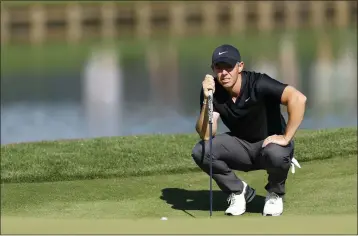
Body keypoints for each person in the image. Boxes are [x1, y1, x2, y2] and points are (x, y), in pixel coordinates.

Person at [191, 44, 307, 216]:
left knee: (276, 153)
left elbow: (298, 98)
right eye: (219, 68)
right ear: (213, 69)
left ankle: (275, 193)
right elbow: (207, 134)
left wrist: (286, 138)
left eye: (229, 67)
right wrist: (207, 100)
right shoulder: (212, 90)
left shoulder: (258, 83)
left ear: (240, 66)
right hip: (242, 147)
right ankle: (238, 191)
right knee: (201, 151)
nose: (224, 73)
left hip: (270, 146)